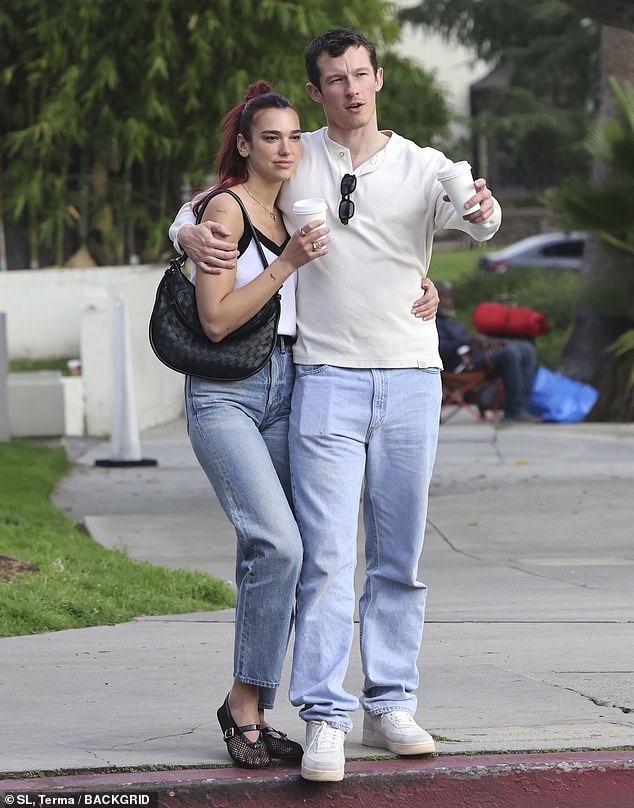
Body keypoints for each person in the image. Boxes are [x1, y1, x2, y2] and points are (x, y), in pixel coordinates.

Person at [170, 28, 502, 782]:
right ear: (317, 91)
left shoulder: (424, 166)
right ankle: (325, 716)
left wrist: (480, 215)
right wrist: (187, 234)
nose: (351, 89)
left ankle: (390, 705)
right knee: (322, 557)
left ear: (378, 79)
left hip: (412, 378)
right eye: (335, 79)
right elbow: (216, 204)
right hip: (322, 378)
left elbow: (480, 221)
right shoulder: (296, 154)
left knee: (399, 557)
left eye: (361, 74)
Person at [183, 80, 329, 770]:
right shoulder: (228, 208)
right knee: (278, 543)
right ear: (243, 146)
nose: (286, 148)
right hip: (227, 394)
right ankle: (244, 706)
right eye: (270, 136)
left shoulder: (294, 207)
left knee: (273, 554)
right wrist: (290, 264)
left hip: (289, 386)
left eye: (295, 136)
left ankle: (253, 709)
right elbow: (215, 320)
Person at [436, 281, 540, 423]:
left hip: (476, 358)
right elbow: (440, 349)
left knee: (525, 348)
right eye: (445, 297)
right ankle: (513, 410)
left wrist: (484, 341)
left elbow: (467, 341)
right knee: (510, 354)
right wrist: (467, 341)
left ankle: (524, 406)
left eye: (449, 297)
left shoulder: (450, 322)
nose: (449, 301)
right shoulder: (433, 323)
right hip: (460, 367)